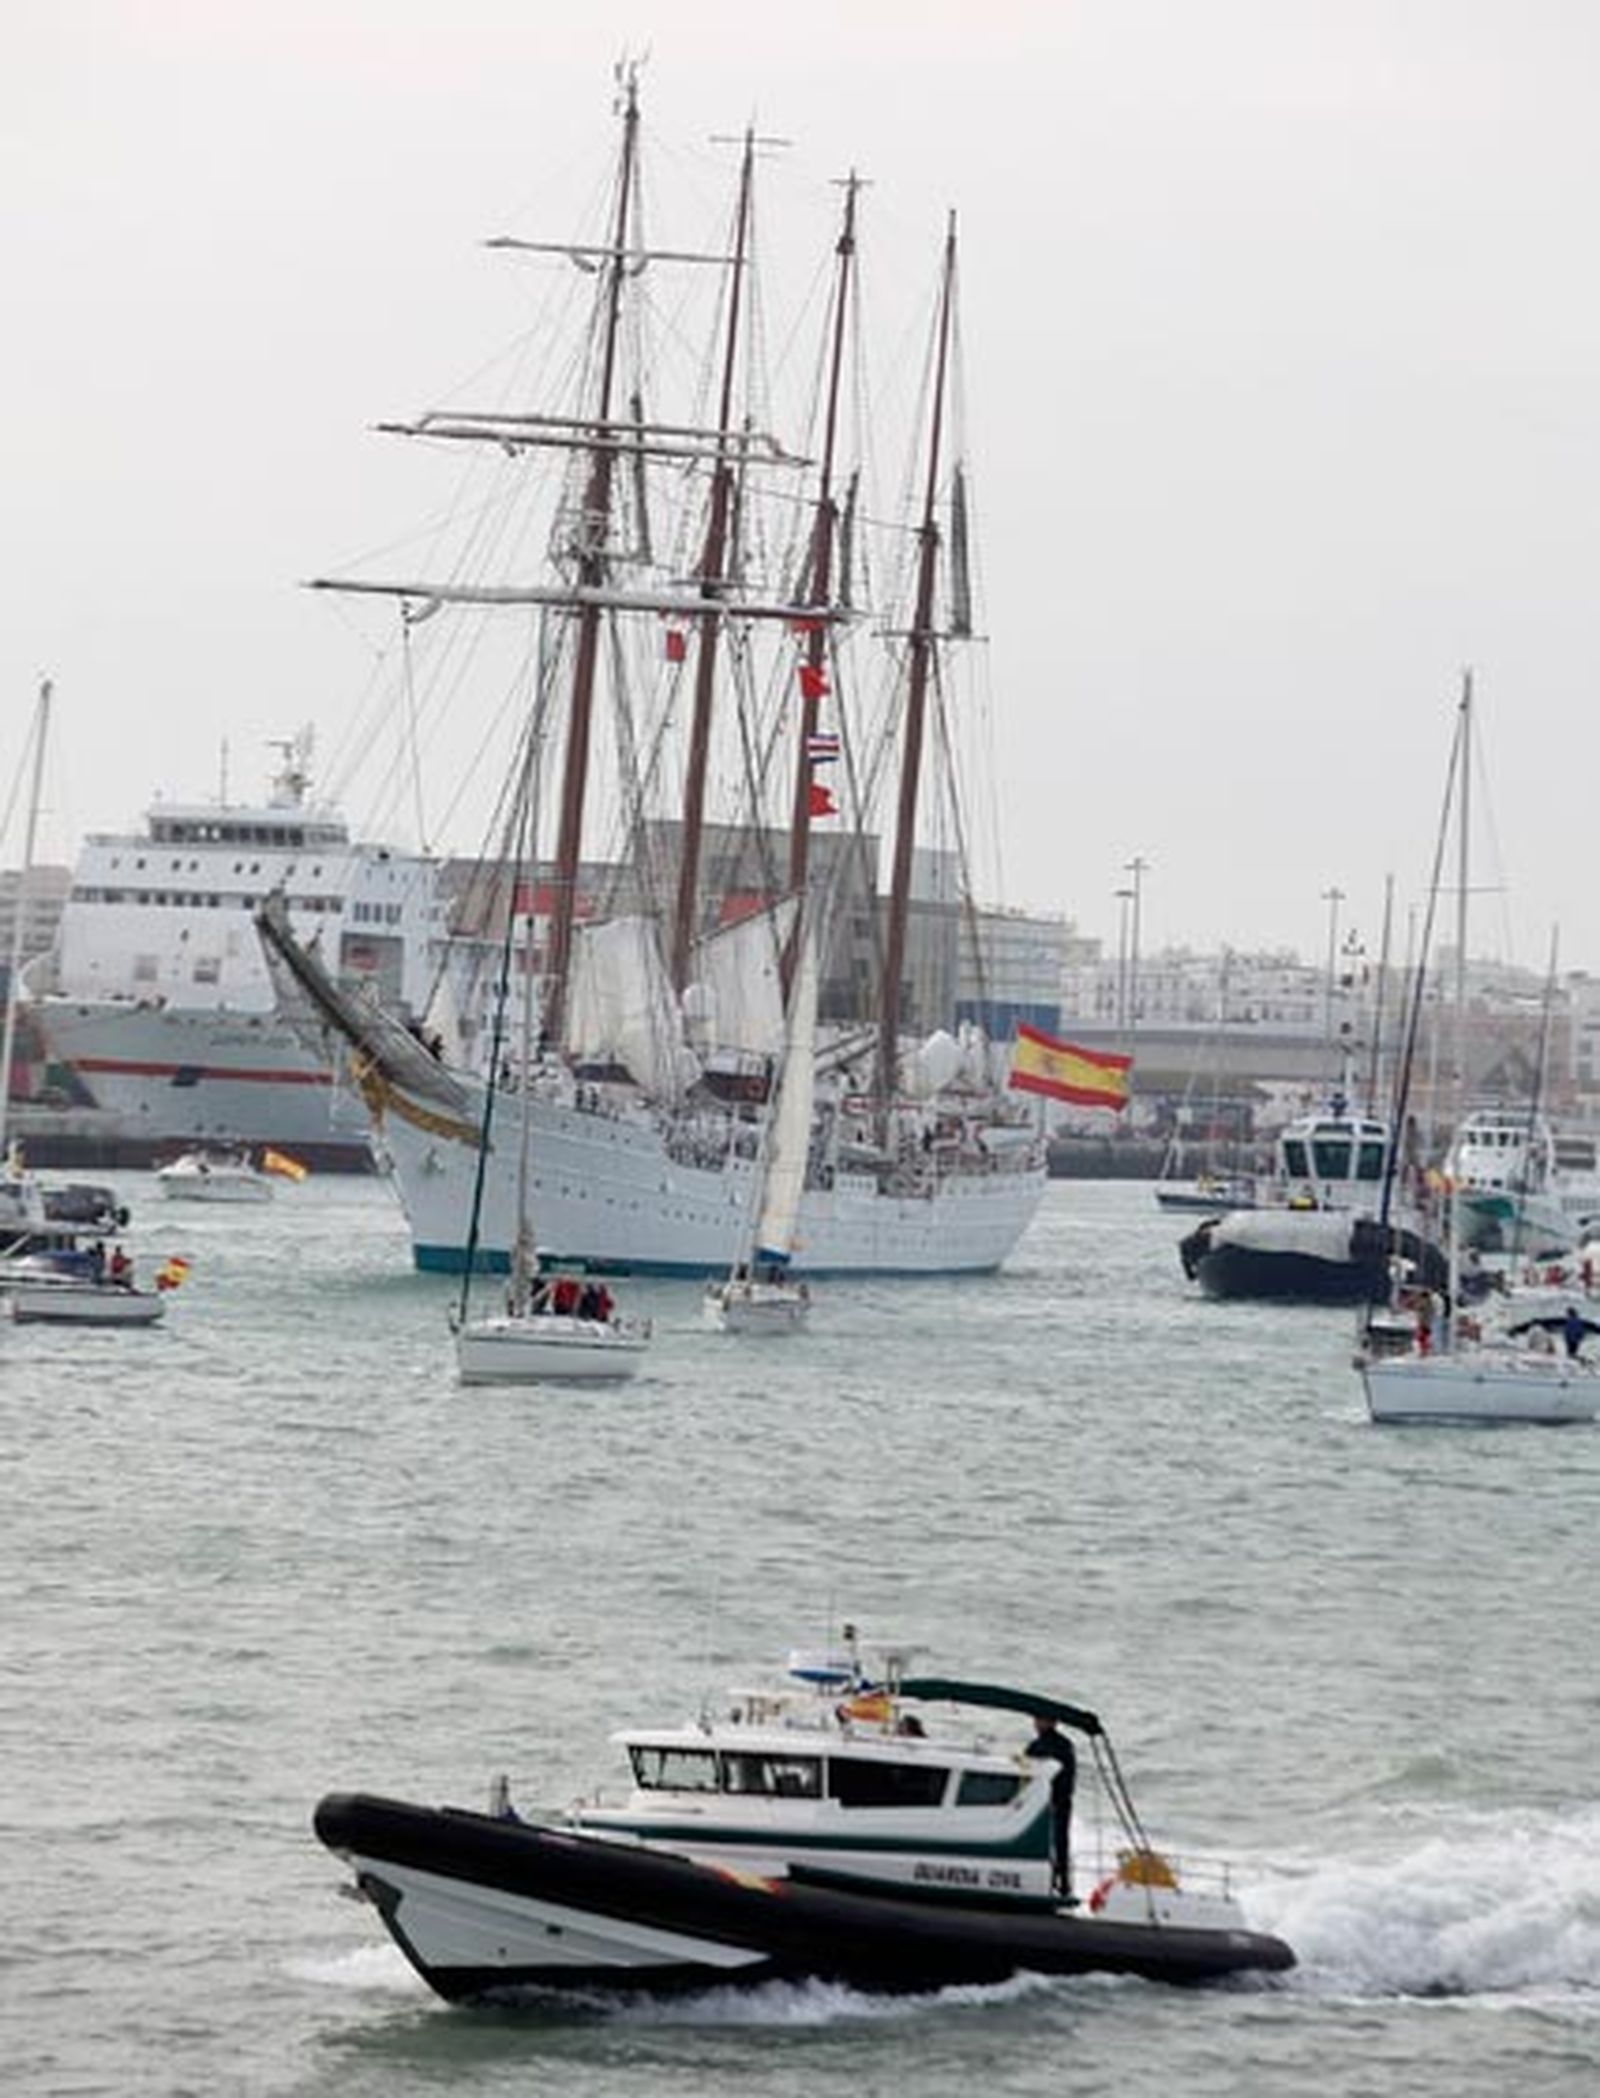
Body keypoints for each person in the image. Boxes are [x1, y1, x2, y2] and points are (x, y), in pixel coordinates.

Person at [1024, 1713, 1077, 1900]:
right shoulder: (1059, 1744)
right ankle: (1058, 1882)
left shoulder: (1049, 1746)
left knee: (1054, 1842)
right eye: (1037, 1719)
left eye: (1040, 1720)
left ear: (1052, 1722)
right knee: (1058, 1843)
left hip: (1052, 1801)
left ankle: (1056, 1882)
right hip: (1056, 1801)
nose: (1036, 1723)